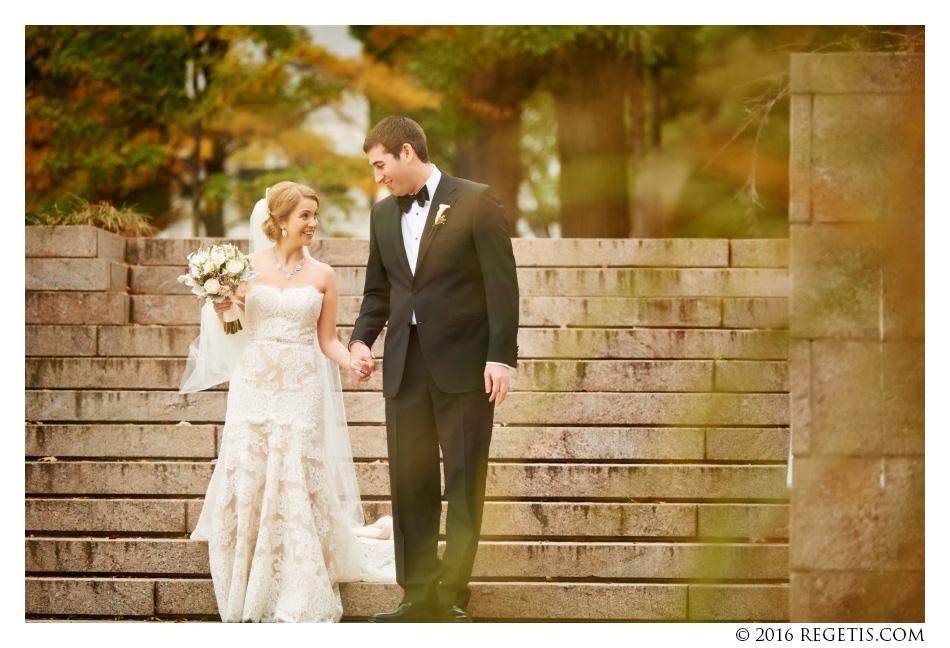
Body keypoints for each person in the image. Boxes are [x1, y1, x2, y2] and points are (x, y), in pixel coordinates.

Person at [181, 181, 393, 622]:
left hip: (301, 383)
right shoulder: (244, 269)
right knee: (252, 464)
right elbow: (235, 331)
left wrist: (354, 360)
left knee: (294, 466)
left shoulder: (324, 275)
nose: (313, 223)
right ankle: (248, 558)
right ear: (279, 222)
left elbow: (329, 340)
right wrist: (224, 310)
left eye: (315, 215)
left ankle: (297, 583)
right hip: (254, 380)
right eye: (304, 216)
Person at [349, 116, 520, 622]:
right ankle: (417, 593)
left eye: (380, 165)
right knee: (409, 479)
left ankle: (453, 594)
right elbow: (377, 293)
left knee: (464, 478)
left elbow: (502, 284)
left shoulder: (476, 199)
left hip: (467, 364)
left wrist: (501, 355)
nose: (377, 176)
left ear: (406, 152)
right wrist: (361, 339)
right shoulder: (382, 216)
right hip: (405, 364)